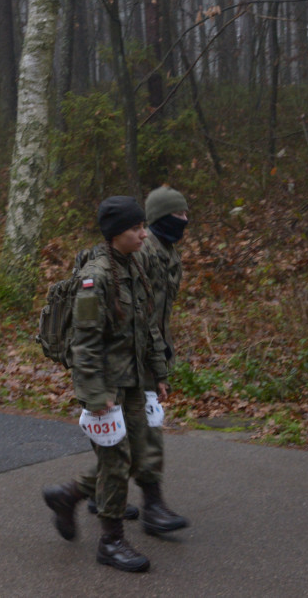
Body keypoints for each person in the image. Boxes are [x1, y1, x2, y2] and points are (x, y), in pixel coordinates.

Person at [42, 196, 169, 573]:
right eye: (136, 228)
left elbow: (147, 328)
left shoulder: (133, 267)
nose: (144, 234)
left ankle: (67, 496)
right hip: (106, 387)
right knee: (115, 462)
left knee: (133, 456)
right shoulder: (96, 277)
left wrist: (157, 374)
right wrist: (95, 394)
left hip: (131, 382)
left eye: (143, 226)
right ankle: (111, 542)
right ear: (117, 233)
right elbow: (85, 343)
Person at [136, 185, 191, 534]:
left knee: (133, 428)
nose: (185, 220)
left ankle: (97, 491)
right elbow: (142, 316)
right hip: (134, 353)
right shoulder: (144, 253)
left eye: (186, 214)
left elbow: (162, 316)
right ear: (159, 218)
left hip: (152, 350)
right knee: (147, 429)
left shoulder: (169, 252)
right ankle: (153, 508)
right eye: (178, 215)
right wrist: (157, 367)